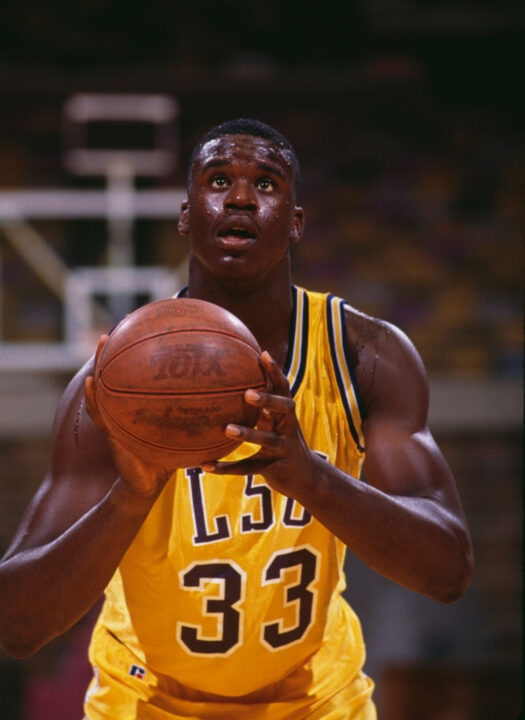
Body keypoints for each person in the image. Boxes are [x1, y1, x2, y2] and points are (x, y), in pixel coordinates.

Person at [0, 118, 474, 719]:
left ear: (296, 221)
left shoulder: (366, 359)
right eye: (219, 179)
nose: (242, 197)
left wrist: (310, 477)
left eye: (267, 183)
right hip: (143, 697)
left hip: (316, 698)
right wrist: (131, 493)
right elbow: (17, 626)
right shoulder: (113, 389)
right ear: (185, 214)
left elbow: (448, 571)